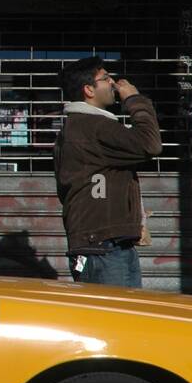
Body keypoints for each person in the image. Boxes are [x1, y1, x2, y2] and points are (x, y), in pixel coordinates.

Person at [53, 56, 161, 287]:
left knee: (125, 318)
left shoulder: (81, 126)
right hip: (103, 247)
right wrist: (134, 99)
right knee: (116, 319)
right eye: (106, 78)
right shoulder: (93, 127)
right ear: (89, 90)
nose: (113, 83)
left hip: (108, 244)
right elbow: (150, 144)